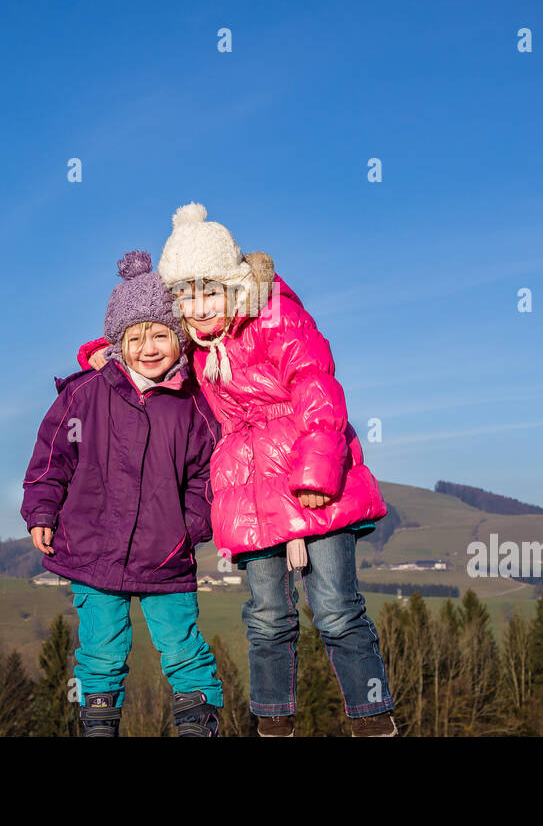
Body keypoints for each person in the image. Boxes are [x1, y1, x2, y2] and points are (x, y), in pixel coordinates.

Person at [76, 204, 396, 736]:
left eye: (208, 292)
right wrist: (104, 353)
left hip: (314, 483)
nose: (198, 308)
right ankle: (273, 723)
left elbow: (317, 384)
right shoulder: (199, 349)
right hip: (248, 495)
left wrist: (318, 473)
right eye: (184, 296)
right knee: (267, 617)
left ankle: (372, 718)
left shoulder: (275, 317)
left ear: (232, 286)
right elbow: (148, 355)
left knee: (337, 609)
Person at [23, 250, 223, 736]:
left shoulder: (194, 406)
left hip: (165, 556)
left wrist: (188, 527)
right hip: (92, 550)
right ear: (117, 343)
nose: (149, 347)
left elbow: (208, 477)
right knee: (100, 650)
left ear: (179, 339)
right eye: (136, 337)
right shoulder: (84, 395)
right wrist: (41, 511)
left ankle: (199, 725)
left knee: (183, 647)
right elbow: (52, 460)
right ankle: (98, 725)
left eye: (160, 334)